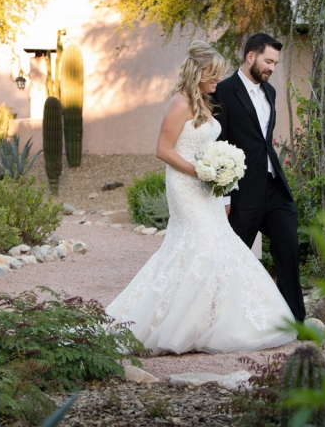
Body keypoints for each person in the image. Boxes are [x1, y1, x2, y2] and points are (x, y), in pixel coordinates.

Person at [105, 40, 296, 355]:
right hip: (185, 185)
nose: (217, 81)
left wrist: (221, 182)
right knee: (202, 246)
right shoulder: (179, 103)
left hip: (208, 188)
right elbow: (163, 150)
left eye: (219, 75)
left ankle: (208, 322)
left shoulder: (206, 103)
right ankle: (170, 324)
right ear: (197, 72)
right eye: (212, 75)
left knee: (217, 247)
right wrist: (200, 172)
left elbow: (210, 147)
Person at [210, 33, 306, 322]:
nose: (272, 68)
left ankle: (294, 319)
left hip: (273, 185)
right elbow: (218, 143)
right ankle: (222, 319)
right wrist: (224, 195)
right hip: (242, 191)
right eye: (268, 61)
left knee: (288, 247)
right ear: (250, 56)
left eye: (275, 63)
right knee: (234, 258)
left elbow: (265, 141)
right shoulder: (223, 91)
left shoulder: (270, 93)